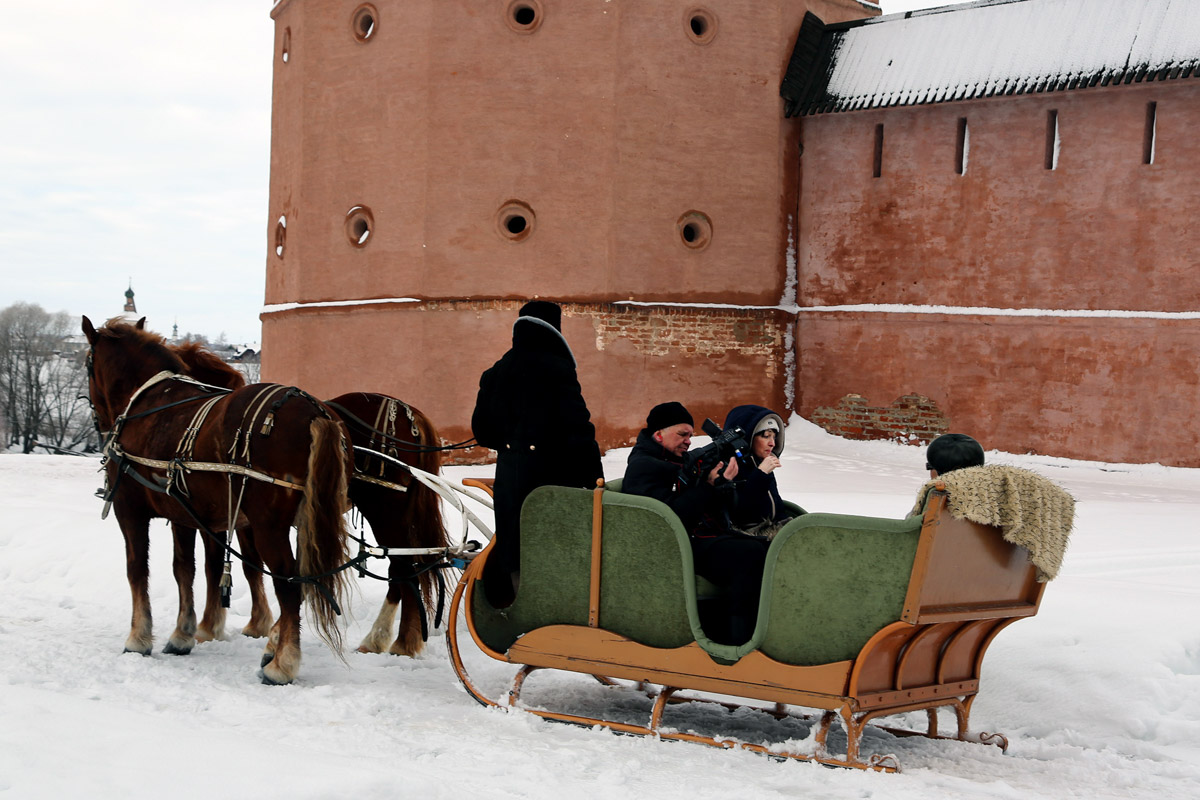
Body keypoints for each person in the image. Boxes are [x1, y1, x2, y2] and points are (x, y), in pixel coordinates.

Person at [471, 301, 603, 606]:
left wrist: (511, 443)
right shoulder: (557, 369)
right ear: (555, 329)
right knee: (557, 545)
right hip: (553, 478)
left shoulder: (495, 371)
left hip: (510, 478)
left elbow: (483, 432)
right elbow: (579, 431)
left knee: (515, 543)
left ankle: (521, 603)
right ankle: (554, 610)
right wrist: (595, 481)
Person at [622, 402, 768, 645]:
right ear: (658, 434)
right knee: (749, 554)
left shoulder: (679, 460)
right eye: (682, 434)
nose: (689, 441)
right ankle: (737, 640)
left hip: (694, 538)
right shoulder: (644, 466)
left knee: (763, 548)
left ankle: (751, 633)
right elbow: (666, 518)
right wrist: (708, 487)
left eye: (690, 435)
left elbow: (714, 505)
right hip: (670, 547)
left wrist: (723, 484)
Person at [723, 404, 794, 539]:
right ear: (747, 437)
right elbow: (743, 516)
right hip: (746, 538)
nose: (772, 443)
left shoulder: (761, 462)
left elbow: (777, 508)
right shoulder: (730, 466)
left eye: (774, 437)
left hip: (773, 532)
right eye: (766, 436)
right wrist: (760, 475)